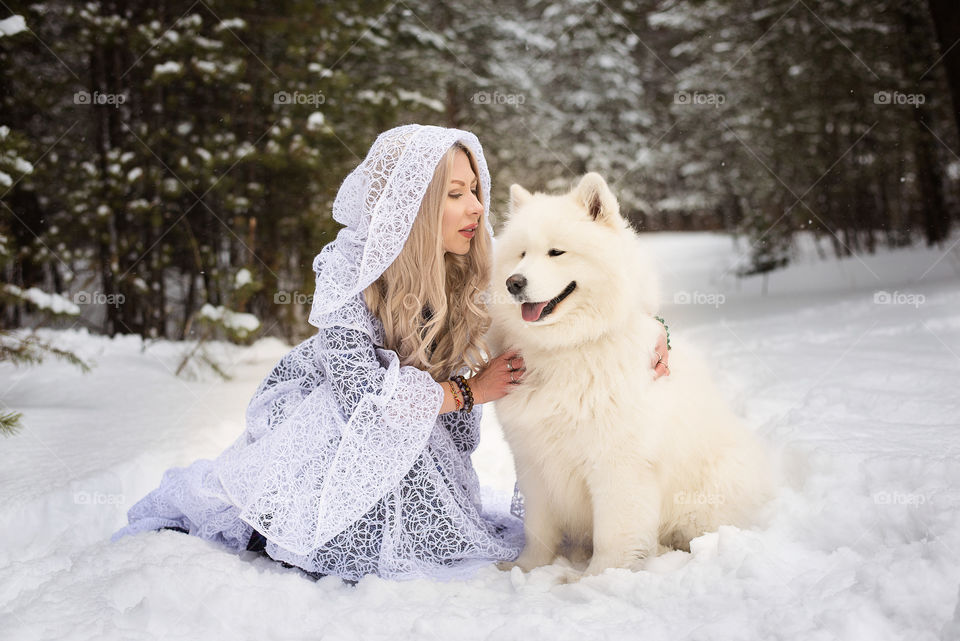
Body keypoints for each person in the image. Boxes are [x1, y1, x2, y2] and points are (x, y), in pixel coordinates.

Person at [112, 124, 670, 582]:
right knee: (323, 535)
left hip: (422, 432)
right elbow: (360, 393)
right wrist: (469, 391)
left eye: (476, 190)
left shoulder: (469, 264)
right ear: (414, 204)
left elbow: (582, 283)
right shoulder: (354, 269)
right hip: (339, 426)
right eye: (456, 194)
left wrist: (649, 327)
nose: (477, 207)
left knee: (433, 538)